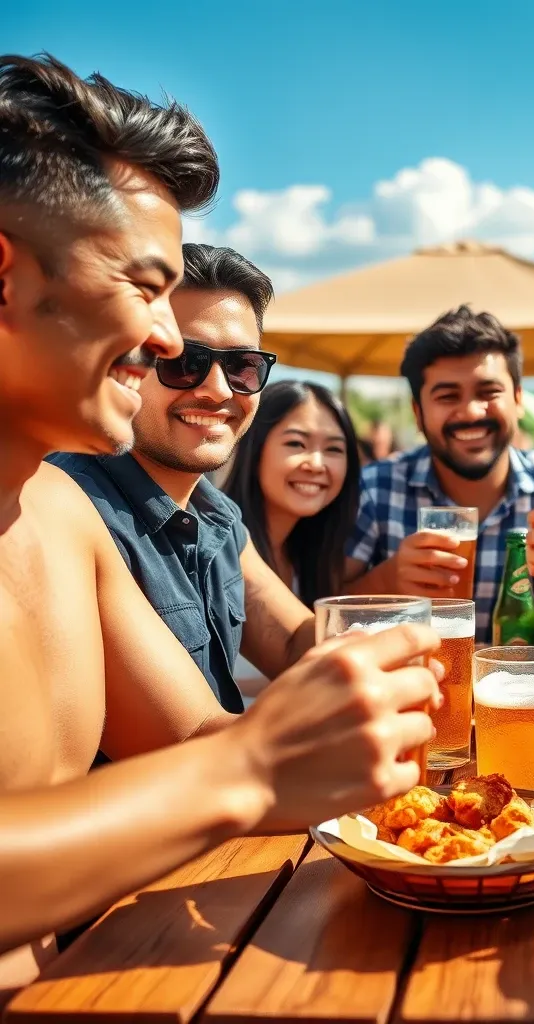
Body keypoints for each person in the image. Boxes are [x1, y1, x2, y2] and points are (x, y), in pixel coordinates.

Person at [0, 53, 439, 992]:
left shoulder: (60, 514)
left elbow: (208, 731)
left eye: (241, 367)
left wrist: (425, 661)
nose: (167, 344)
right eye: (143, 287)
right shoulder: (90, 503)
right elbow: (227, 760)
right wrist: (255, 765)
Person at [50, 243, 321, 713]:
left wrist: (406, 635)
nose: (217, 390)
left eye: (242, 366)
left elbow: (296, 642)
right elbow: (191, 738)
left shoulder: (214, 513)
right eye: (184, 361)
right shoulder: (69, 509)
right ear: (127, 364)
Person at [343, 305, 534, 642]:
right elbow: (323, 607)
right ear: (417, 412)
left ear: (518, 399)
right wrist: (387, 579)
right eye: (447, 396)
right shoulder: (375, 488)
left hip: (528, 687)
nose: (470, 411)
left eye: (489, 392)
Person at [222, 379, 360, 693]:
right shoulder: (217, 547)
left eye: (334, 449)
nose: (316, 463)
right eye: (296, 444)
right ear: (254, 448)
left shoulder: (314, 559)